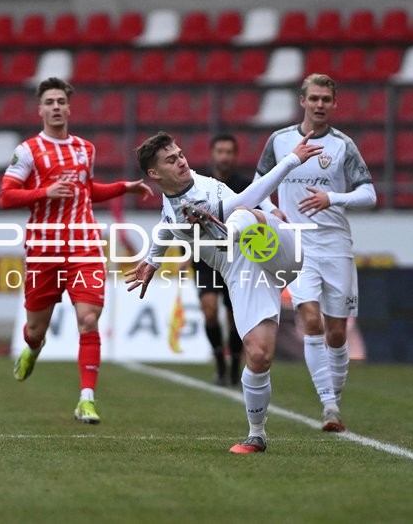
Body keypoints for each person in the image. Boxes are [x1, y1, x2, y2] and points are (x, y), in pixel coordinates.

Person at [126, 130, 323, 453]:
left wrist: (290, 161)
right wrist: (153, 260)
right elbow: (165, 224)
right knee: (258, 355)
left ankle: (224, 231)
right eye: (171, 160)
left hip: (278, 248)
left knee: (243, 213)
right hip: (242, 272)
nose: (181, 161)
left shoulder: (197, 192)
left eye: (180, 154)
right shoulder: (175, 210)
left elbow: (248, 196)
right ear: (154, 174)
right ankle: (256, 434)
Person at [0, 77, 152, 424]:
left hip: (84, 246)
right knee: (36, 329)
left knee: (88, 319)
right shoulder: (27, 151)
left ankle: (86, 398)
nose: (56, 107)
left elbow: (85, 191)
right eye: (49, 102)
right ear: (40, 109)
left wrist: (121, 188)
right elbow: (6, 196)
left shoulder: (86, 148)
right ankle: (33, 349)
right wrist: (44, 192)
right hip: (44, 249)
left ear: (69, 107)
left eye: (61, 101)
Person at [254, 73, 377, 432]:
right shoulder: (280, 141)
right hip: (298, 244)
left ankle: (333, 399)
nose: (320, 104)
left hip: (336, 246)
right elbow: (260, 184)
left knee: (337, 334)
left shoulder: (343, 146)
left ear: (334, 104)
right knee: (310, 321)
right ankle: (328, 405)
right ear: (302, 101)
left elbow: (369, 194)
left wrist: (332, 198)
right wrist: (270, 207)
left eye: (326, 99)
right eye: (314, 98)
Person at [193, 133, 247, 387]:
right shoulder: (201, 185)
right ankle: (220, 363)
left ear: (235, 156)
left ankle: (236, 363)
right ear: (212, 154)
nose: (224, 156)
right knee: (210, 311)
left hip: (236, 257)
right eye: (220, 151)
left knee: (234, 316)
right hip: (205, 256)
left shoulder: (245, 186)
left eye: (229, 152)